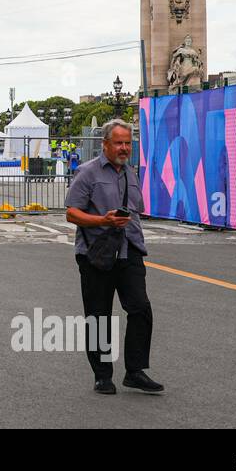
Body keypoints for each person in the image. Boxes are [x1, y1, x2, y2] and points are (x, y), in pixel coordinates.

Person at [64, 119, 162, 395]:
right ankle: (102, 375)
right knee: (99, 316)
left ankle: (135, 371)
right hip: (96, 253)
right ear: (105, 144)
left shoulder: (131, 174)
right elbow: (72, 213)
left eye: (127, 143)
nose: (123, 148)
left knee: (140, 308)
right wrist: (101, 220)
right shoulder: (87, 173)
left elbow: (136, 211)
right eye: (118, 143)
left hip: (130, 251)